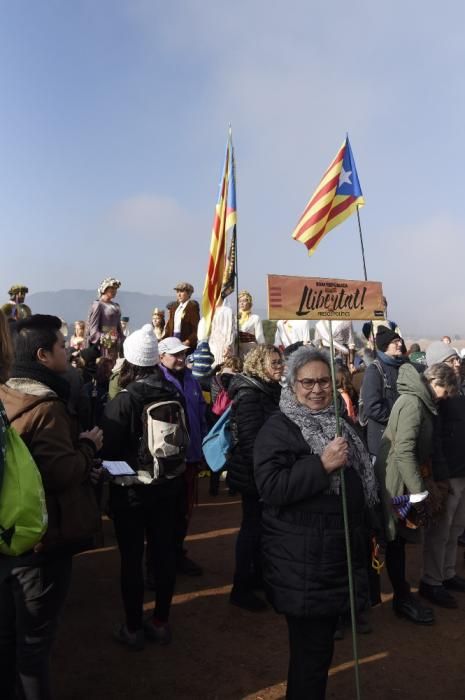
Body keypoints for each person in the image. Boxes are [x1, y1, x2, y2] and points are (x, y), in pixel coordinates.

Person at [253, 346, 378, 699]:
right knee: (311, 657)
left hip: (335, 557)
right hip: (304, 562)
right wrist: (321, 465)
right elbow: (271, 486)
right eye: (307, 382)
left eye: (324, 381)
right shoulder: (279, 427)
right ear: (292, 385)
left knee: (319, 653)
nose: (317, 389)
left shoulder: (341, 422)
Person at [0, 314, 103, 699]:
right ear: (43, 355)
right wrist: (88, 446)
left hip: (9, 535)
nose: (67, 353)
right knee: (34, 649)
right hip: (42, 542)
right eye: (62, 347)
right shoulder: (47, 407)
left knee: (9, 637)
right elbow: (62, 473)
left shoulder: (6, 394)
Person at [101, 325, 187, 649]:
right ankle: (161, 622)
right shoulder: (173, 393)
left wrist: (116, 476)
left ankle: (133, 627)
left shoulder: (125, 399)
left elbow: (106, 450)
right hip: (169, 488)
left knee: (132, 560)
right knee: (164, 555)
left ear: (130, 362)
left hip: (133, 493)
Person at [375, 361, 457, 625]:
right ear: (437, 383)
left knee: (400, 538)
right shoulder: (413, 403)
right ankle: (400, 599)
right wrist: (420, 493)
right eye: (447, 391)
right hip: (398, 482)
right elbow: (404, 451)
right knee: (396, 539)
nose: (447, 397)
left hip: (405, 480)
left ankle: (402, 597)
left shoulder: (421, 402)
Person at [227, 344, 283, 611]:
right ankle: (241, 587)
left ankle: (258, 578)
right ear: (260, 364)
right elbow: (251, 442)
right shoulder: (250, 394)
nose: (280, 367)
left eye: (280, 363)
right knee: (251, 528)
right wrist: (264, 475)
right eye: (274, 363)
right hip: (255, 474)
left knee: (262, 528)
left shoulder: (269, 390)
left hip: (264, 471)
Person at [419, 342, 465, 608]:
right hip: (446, 472)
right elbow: (434, 440)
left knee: (456, 527)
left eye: (456, 359)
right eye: (450, 360)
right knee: (440, 530)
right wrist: (441, 476)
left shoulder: (457, 390)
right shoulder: (434, 396)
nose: (456, 363)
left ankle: (447, 573)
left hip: (461, 469)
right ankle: (432, 580)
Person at [158, 337, 207, 576]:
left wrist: (202, 448)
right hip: (167, 461)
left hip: (191, 457)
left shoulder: (192, 381)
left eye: (182, 354)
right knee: (164, 515)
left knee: (184, 512)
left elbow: (201, 416)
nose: (180, 358)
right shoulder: (157, 382)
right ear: (161, 357)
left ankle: (176, 555)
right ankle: (157, 564)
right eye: (175, 354)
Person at [359, 325, 406, 458]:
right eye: (395, 342)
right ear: (385, 345)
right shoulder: (374, 371)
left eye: (400, 341)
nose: (400, 344)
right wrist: (397, 419)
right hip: (383, 439)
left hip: (401, 437)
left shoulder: (402, 367)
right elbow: (372, 407)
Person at [86, 277, 124, 360]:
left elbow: (118, 327)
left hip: (115, 343)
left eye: (116, 289)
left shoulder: (116, 306)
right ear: (105, 288)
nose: (115, 291)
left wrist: (122, 339)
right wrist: (108, 339)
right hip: (103, 345)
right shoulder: (98, 305)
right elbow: (93, 331)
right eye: (112, 288)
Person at [163, 282, 200, 349]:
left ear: (189, 293)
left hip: (185, 342)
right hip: (173, 340)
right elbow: (169, 328)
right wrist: (163, 341)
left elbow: (196, 329)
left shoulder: (192, 307)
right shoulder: (174, 308)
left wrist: (188, 341)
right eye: (177, 292)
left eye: (182, 291)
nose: (179, 294)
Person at [237, 290, 265, 358]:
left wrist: (262, 351)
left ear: (249, 303)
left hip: (250, 349)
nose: (242, 303)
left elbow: (259, 337)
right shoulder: (235, 318)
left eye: (244, 301)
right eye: (240, 301)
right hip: (237, 350)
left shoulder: (255, 318)